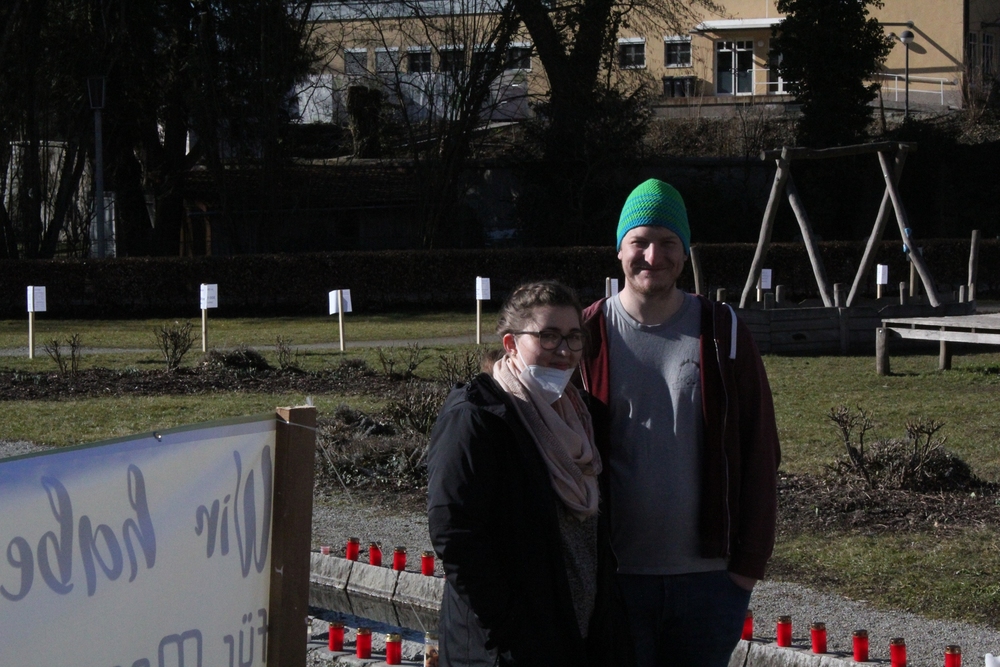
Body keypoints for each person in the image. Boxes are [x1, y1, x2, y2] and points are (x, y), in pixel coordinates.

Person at [579, 179, 781, 667]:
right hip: (615, 579)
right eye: (640, 241)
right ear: (619, 249)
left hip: (709, 584)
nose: (654, 256)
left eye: (669, 242)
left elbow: (761, 449)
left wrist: (746, 568)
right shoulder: (585, 335)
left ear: (685, 252)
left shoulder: (723, 331)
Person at [427, 281, 614, 667]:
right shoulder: (477, 417)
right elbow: (455, 534)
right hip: (506, 649)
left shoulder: (585, 418)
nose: (564, 351)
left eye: (574, 337)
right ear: (511, 344)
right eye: (548, 336)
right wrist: (508, 627)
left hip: (573, 635)